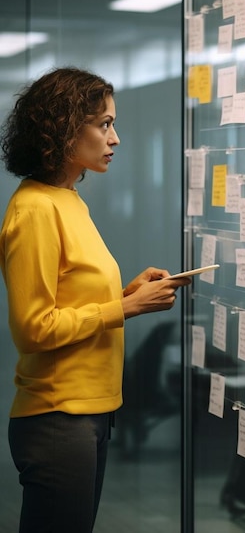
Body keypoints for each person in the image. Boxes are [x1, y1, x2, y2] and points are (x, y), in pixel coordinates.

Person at [0, 67, 190, 533]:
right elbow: (34, 328)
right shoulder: (35, 209)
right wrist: (125, 308)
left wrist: (128, 290)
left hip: (90, 411)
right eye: (104, 124)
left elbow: (71, 298)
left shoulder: (69, 200)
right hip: (57, 416)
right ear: (64, 127)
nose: (116, 138)